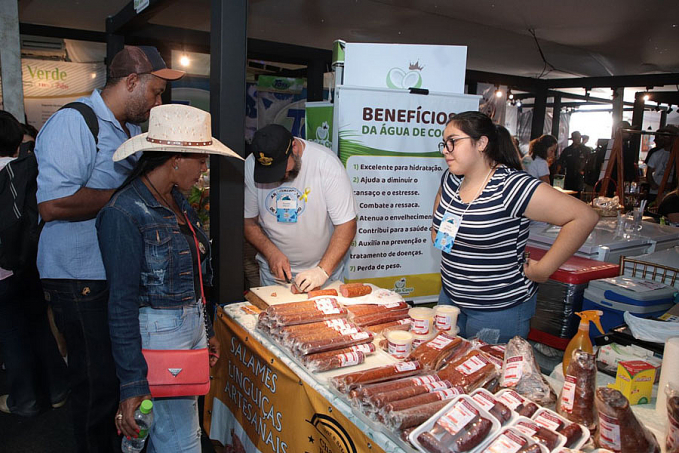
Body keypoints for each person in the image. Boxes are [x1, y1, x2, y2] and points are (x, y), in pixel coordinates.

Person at [34, 46, 184, 453]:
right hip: (76, 276)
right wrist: (124, 198)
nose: (157, 102)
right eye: (154, 92)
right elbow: (53, 204)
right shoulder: (75, 123)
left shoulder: (129, 131)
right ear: (130, 82)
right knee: (94, 383)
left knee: (115, 379)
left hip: (107, 271)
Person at [97, 104, 241, 452]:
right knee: (181, 440)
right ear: (175, 158)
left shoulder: (176, 200)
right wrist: (132, 382)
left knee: (180, 431)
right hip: (158, 335)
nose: (205, 168)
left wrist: (203, 331)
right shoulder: (124, 212)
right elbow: (121, 304)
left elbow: (192, 277)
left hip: (186, 329)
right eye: (201, 159)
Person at [431, 111, 599, 342]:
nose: (445, 150)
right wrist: (442, 235)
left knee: (490, 374)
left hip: (497, 308)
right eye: (444, 143)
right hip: (451, 297)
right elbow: (442, 220)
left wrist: (543, 270)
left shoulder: (511, 186)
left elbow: (583, 217)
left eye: (453, 142)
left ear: (481, 143)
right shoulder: (452, 178)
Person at [0, 111, 69, 417]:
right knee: (40, 327)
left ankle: (24, 399)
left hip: (2, 273)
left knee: (10, 334)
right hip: (31, 264)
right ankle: (57, 390)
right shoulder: (29, 169)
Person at [244, 124, 357, 291]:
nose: (280, 177)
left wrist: (322, 271)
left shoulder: (326, 164)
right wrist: (270, 252)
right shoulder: (251, 165)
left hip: (323, 276)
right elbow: (248, 222)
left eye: (282, 169)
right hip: (275, 278)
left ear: (294, 148)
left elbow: (347, 225)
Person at [647, 124, 678, 201]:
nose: (665, 138)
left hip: (672, 192)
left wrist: (672, 185)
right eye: (664, 135)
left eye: (667, 136)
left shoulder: (676, 155)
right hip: (656, 192)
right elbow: (649, 173)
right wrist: (653, 184)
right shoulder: (656, 154)